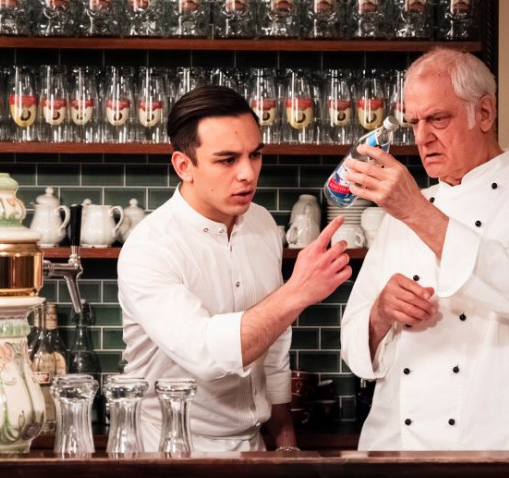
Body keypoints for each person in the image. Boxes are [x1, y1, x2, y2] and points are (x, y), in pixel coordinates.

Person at [340, 48, 509, 450]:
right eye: (414, 122)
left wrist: (415, 210)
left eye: (437, 118)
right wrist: (381, 313)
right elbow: (352, 347)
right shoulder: (405, 208)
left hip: (498, 448)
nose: (422, 138)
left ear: (484, 113)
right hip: (395, 449)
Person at [117, 85, 351, 452]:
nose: (247, 173)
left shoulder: (262, 224)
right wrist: (297, 292)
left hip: (252, 447)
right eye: (227, 160)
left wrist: (285, 443)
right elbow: (206, 355)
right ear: (184, 166)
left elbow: (274, 345)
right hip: (170, 450)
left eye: (255, 155)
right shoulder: (149, 247)